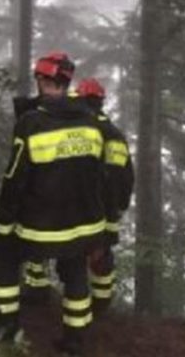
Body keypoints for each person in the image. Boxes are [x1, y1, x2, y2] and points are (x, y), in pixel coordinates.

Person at [0, 52, 107, 356]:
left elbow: (15, 178)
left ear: (41, 80)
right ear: (67, 82)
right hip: (84, 225)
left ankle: (7, 328)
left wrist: (4, 224)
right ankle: (75, 341)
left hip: (40, 226)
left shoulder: (31, 123)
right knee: (76, 273)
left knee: (3, 259)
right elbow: (99, 177)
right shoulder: (92, 122)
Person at [74, 77, 134, 314]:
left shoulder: (80, 130)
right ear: (100, 102)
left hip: (81, 205)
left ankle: (78, 306)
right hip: (108, 207)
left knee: (77, 254)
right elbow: (125, 175)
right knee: (103, 254)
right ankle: (101, 304)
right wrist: (120, 205)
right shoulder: (114, 133)